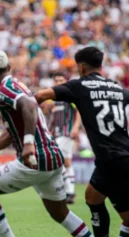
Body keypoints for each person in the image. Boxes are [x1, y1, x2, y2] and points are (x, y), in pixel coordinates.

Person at [0, 49, 114, 237]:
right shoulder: (17, 84)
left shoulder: (5, 90)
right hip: (52, 157)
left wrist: (27, 144)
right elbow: (11, 130)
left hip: (37, 159)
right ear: (9, 68)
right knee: (60, 212)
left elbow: (31, 106)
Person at [35, 46, 129, 237]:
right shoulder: (115, 87)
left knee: (94, 198)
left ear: (81, 67)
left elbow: (41, 95)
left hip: (110, 158)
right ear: (101, 65)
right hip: (125, 154)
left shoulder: (78, 86)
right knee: (128, 214)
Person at [45, 72, 81, 204]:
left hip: (67, 133)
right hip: (57, 134)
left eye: (61, 80)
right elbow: (53, 117)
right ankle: (70, 192)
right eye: (56, 80)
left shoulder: (70, 97)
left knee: (57, 160)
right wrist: (49, 130)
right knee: (66, 162)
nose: (59, 83)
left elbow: (79, 112)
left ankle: (65, 191)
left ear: (66, 81)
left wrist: (76, 127)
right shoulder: (53, 99)